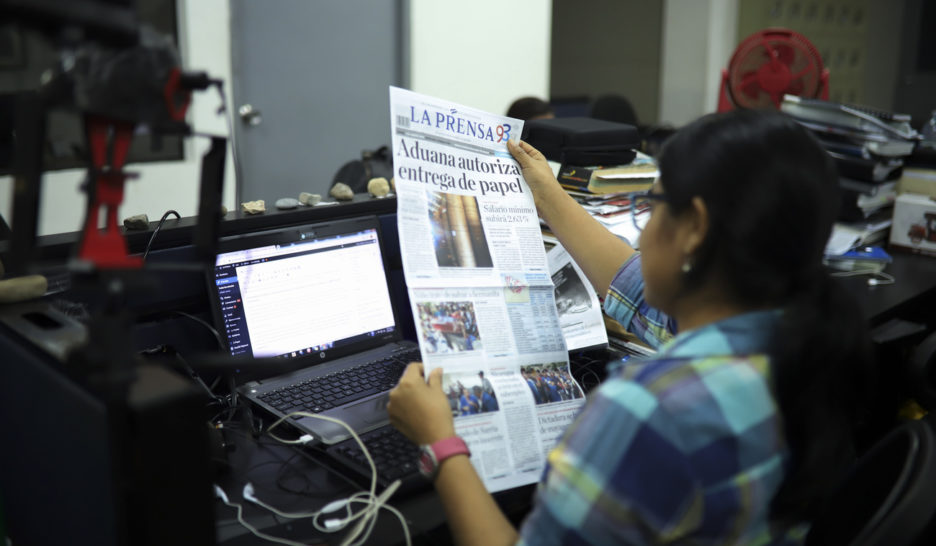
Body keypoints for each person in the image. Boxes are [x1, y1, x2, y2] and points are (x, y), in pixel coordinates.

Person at [388, 109, 876, 544]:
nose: (644, 226)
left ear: (694, 228)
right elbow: (631, 283)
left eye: (653, 203)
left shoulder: (648, 410)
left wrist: (441, 444)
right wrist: (549, 196)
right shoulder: (799, 341)